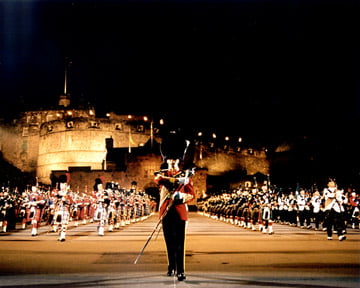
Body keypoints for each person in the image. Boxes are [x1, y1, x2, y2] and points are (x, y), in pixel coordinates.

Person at [154, 130, 196, 281]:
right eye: (170, 160)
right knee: (169, 242)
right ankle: (171, 265)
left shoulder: (186, 177)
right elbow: (160, 180)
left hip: (179, 212)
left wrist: (181, 196)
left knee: (180, 242)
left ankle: (181, 270)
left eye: (175, 160)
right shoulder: (161, 175)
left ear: (179, 160)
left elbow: (192, 195)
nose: (172, 162)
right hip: (166, 212)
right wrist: (179, 181)